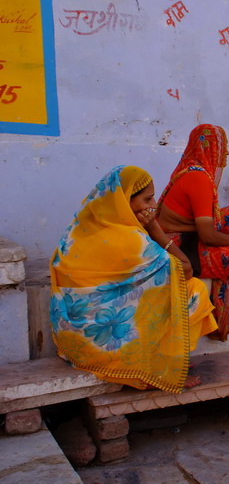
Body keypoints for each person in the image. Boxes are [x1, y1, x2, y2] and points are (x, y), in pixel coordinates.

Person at [50, 166, 217, 393]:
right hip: (107, 344)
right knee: (194, 289)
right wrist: (156, 231)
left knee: (155, 291)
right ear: (123, 201)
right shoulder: (131, 239)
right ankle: (155, 371)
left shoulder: (80, 229)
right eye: (147, 199)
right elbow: (185, 270)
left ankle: (165, 359)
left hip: (75, 340)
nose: (153, 205)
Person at [157, 124, 229, 341]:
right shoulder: (199, 180)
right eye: (223, 147)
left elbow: (204, 225)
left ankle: (224, 268)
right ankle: (223, 279)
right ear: (210, 148)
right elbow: (207, 235)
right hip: (183, 249)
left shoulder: (190, 170)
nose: (226, 153)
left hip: (185, 235)